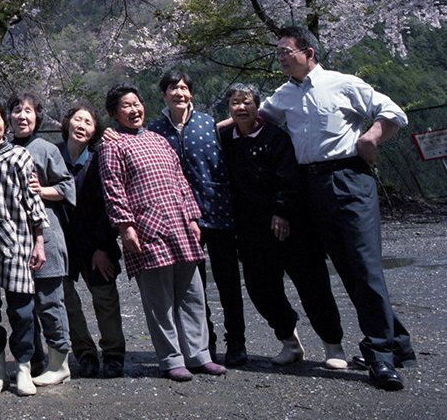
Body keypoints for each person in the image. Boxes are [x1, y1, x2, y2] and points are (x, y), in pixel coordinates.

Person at [262, 26, 415, 391]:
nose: (281, 57)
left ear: (309, 53)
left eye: (287, 51)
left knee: (364, 265)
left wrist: (370, 137)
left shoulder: (342, 83)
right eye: (279, 52)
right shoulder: (283, 95)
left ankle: (379, 355)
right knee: (347, 268)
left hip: (348, 178)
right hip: (308, 185)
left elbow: (392, 112)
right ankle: (397, 342)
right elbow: (252, 120)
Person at [99, 83, 225, 382]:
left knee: (192, 293)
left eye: (136, 103)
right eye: (126, 106)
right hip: (145, 228)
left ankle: (199, 355)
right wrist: (125, 225)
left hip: (180, 223)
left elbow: (181, 180)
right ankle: (171, 358)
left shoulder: (159, 139)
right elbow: (113, 188)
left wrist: (193, 217)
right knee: (160, 300)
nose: (134, 110)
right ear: (114, 113)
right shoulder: (113, 144)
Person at [218, 82, 347, 370]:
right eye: (235, 103)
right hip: (250, 230)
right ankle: (290, 342)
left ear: (257, 106)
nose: (241, 107)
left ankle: (333, 345)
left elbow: (288, 176)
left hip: (291, 227)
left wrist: (282, 211)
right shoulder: (227, 139)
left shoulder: (276, 137)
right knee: (261, 288)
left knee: (312, 285)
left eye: (247, 101)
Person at [147, 71, 247, 365]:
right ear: (163, 94)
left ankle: (237, 341)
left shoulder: (209, 124)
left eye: (183, 88)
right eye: (171, 88)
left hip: (218, 211)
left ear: (190, 92)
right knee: (193, 287)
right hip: (179, 219)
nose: (178, 93)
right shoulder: (155, 130)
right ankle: (205, 343)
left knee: (228, 281)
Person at [0, 97, 48, 398]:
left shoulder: (19, 156)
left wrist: (39, 240)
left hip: (17, 241)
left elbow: (32, 200)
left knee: (23, 311)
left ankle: (24, 367)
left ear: (5, 122)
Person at [7, 93, 75, 387]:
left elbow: (67, 188)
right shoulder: (3, 148)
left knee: (49, 301)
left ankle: (60, 363)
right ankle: (32, 362)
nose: (22, 116)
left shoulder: (47, 149)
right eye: (17, 111)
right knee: (21, 306)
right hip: (12, 237)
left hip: (45, 235)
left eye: (28, 111)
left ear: (37, 118)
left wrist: (40, 189)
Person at [58, 103, 126, 379]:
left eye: (88, 122)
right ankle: (84, 353)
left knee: (105, 298)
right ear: (67, 123)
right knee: (66, 300)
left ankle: (113, 354)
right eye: (78, 119)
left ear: (95, 130)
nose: (82, 125)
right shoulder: (53, 155)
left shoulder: (99, 158)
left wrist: (102, 246)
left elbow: (108, 206)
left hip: (96, 242)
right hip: (61, 244)